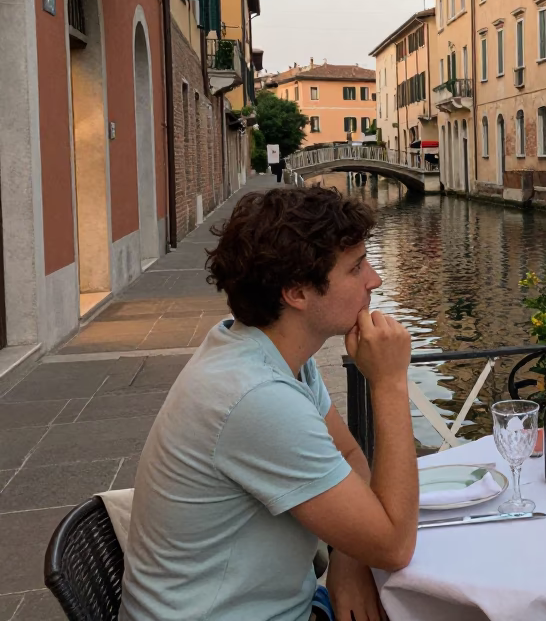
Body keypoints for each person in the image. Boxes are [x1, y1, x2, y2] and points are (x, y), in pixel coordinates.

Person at [120, 186, 419, 621]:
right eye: (356, 268)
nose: (374, 279)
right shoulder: (256, 396)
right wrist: (390, 382)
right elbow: (395, 546)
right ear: (296, 292)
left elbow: (349, 456)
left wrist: (349, 556)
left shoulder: (268, 351)